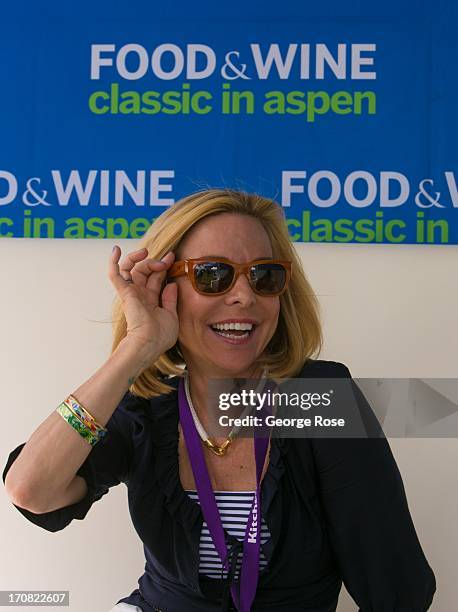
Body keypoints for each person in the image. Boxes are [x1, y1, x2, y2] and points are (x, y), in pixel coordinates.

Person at [3, 188, 436, 612]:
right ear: (163, 290)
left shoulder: (320, 399)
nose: (245, 296)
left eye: (264, 276)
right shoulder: (146, 409)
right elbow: (31, 489)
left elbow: (397, 593)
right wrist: (135, 350)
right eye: (213, 274)